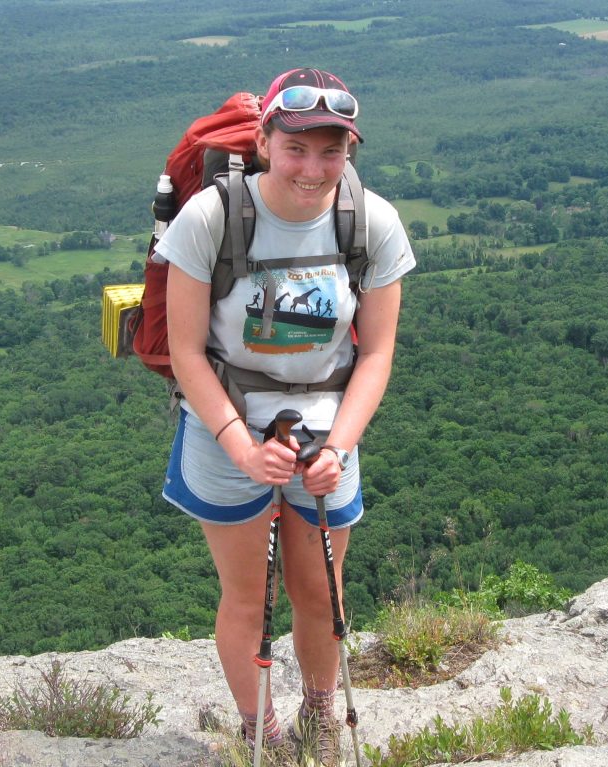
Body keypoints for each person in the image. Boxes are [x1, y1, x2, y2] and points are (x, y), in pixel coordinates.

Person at [157, 67, 415, 766]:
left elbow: (378, 353)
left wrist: (341, 444)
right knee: (247, 595)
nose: (313, 167)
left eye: (331, 150)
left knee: (317, 588)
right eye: (297, 147)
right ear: (266, 140)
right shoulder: (211, 217)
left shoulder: (371, 221)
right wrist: (241, 444)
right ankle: (261, 730)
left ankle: (320, 714)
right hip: (225, 423)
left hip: (329, 424)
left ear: (350, 152)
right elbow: (185, 352)